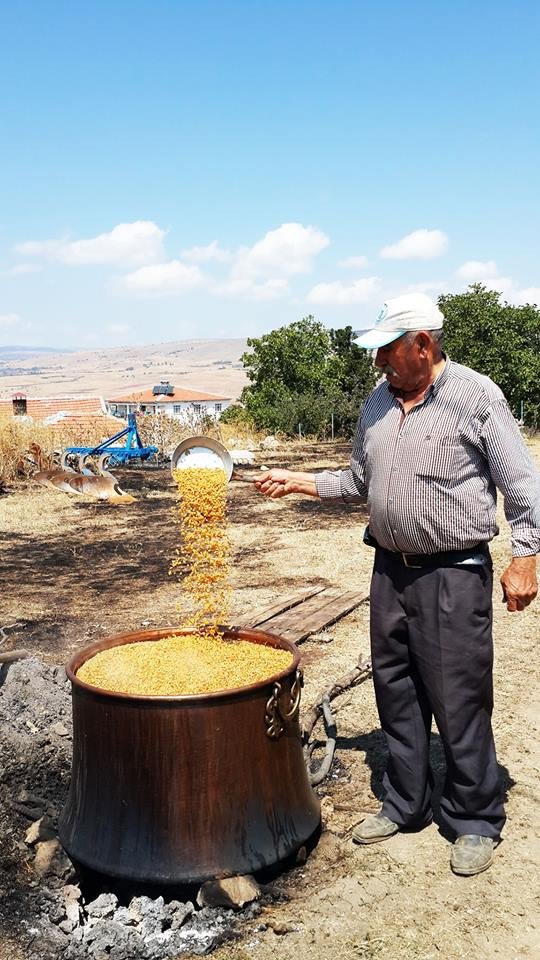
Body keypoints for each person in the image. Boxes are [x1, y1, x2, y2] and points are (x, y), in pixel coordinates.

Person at [254, 292, 540, 877]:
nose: (378, 361)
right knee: (397, 691)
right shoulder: (376, 404)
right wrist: (301, 481)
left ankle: (474, 818)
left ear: (423, 344)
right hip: (389, 571)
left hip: (453, 575)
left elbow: (522, 485)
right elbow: (361, 478)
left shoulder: (476, 396)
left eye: (386, 349)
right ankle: (406, 803)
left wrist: (526, 556)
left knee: (458, 699)